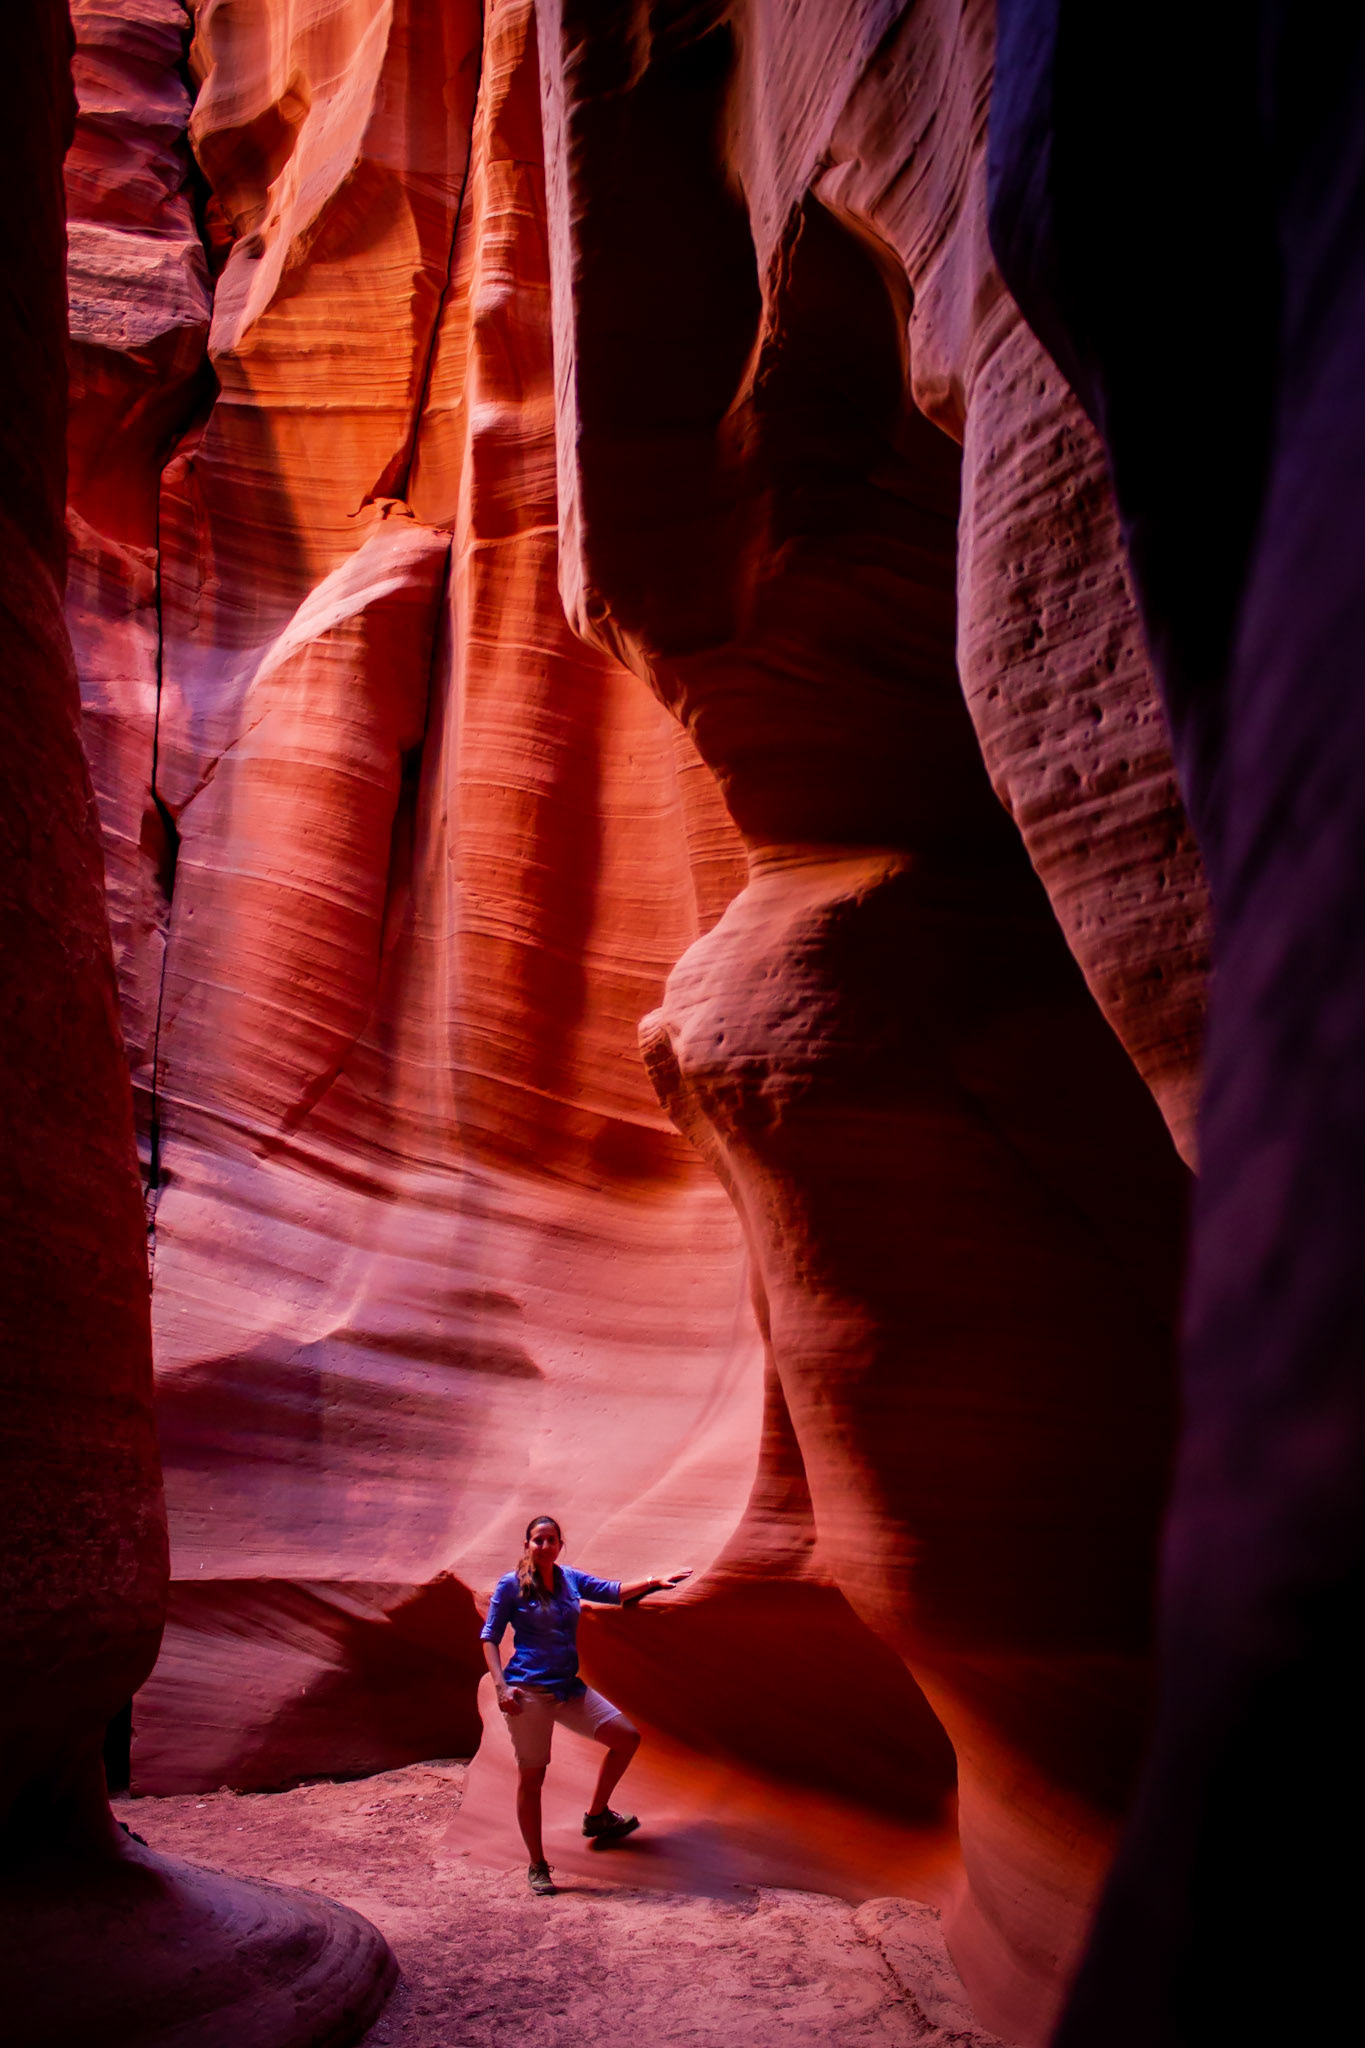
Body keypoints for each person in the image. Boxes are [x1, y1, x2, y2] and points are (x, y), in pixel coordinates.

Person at [480, 1515, 691, 1895]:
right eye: (537, 1540)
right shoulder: (511, 1585)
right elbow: (490, 1637)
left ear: (561, 1544)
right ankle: (537, 1865)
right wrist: (500, 1687)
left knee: (626, 1737)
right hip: (527, 1694)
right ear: (527, 1546)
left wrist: (653, 1582)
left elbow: (611, 1591)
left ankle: (597, 1817)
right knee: (533, 1779)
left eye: (551, 1540)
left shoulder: (570, 1579)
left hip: (568, 1689)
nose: (544, 1546)